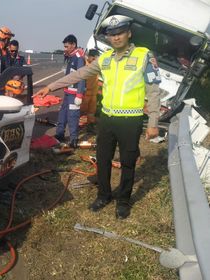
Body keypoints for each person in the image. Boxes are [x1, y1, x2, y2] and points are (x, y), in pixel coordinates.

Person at [34, 15, 161, 219]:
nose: (116, 37)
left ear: (129, 33)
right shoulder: (106, 58)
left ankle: (123, 201)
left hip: (131, 120)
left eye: (120, 33)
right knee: (103, 159)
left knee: (128, 162)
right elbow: (79, 74)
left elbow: (154, 91)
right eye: (112, 34)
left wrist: (153, 123)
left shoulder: (144, 55)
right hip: (108, 119)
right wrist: (51, 86)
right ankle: (103, 195)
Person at [54, 34, 86, 148]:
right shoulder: (71, 56)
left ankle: (73, 139)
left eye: (67, 46)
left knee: (73, 116)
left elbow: (82, 76)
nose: (65, 49)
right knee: (62, 113)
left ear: (73, 45)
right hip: (68, 92)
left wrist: (79, 94)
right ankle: (59, 134)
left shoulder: (78, 57)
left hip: (74, 94)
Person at [80, 49, 100, 132]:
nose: (95, 61)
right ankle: (74, 127)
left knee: (92, 111)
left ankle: (90, 126)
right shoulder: (83, 65)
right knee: (80, 111)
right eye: (94, 59)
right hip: (85, 93)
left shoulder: (96, 65)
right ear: (90, 57)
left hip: (93, 93)